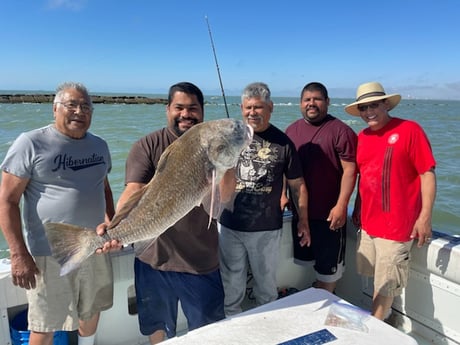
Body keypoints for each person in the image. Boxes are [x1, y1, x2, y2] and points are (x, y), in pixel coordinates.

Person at [0, 82, 115, 345]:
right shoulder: (30, 143)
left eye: (86, 106)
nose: (79, 111)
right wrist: (18, 254)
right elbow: (6, 201)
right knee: (45, 325)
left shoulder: (100, 146)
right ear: (55, 109)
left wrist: (113, 224)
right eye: (71, 105)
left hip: (94, 248)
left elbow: (105, 189)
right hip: (49, 254)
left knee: (91, 313)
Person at [110, 82, 225, 344]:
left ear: (203, 112)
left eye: (193, 108)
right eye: (179, 108)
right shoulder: (147, 145)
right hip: (153, 259)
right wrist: (116, 228)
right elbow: (133, 191)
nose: (186, 114)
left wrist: (225, 165)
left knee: (209, 331)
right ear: (167, 110)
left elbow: (221, 204)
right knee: (157, 328)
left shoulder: (215, 146)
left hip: (200, 260)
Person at [345, 81, 436, 320]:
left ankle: (375, 330)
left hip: (397, 227)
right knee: (375, 278)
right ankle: (387, 321)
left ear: (386, 104)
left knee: (386, 285)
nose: (368, 112)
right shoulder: (362, 136)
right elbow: (365, 177)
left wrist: (425, 217)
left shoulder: (410, 130)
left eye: (373, 105)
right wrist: (358, 207)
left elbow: (427, 173)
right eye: (363, 108)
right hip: (368, 224)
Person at [218, 82, 310, 316]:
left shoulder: (283, 143)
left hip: (266, 229)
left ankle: (267, 325)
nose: (252, 113)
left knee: (266, 287)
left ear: (271, 107)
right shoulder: (229, 139)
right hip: (230, 226)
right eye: (248, 107)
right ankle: (232, 322)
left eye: (258, 107)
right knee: (231, 283)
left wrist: (303, 220)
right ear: (241, 108)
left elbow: (297, 185)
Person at [285, 82, 358, 293]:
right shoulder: (291, 130)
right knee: (306, 264)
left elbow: (350, 171)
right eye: (307, 99)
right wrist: (282, 195)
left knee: (329, 271)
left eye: (317, 99)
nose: (311, 103)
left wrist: (342, 205)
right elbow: (284, 169)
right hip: (301, 215)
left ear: (327, 102)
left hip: (329, 215)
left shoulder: (341, 131)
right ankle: (314, 299)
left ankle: (325, 303)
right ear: (300, 103)